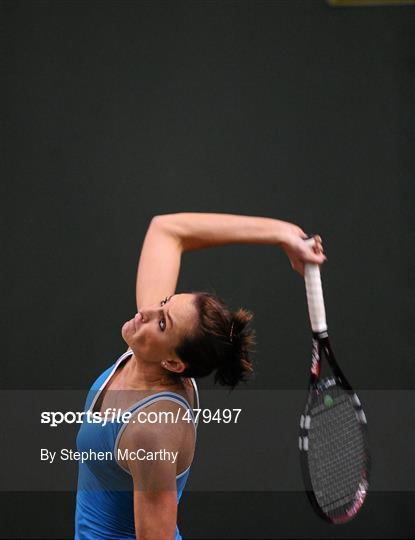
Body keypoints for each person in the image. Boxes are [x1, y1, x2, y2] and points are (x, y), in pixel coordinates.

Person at [75, 213, 325, 540]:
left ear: (175, 364)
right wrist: (284, 234)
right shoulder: (150, 348)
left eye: (163, 321)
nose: (146, 312)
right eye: (164, 303)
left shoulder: (152, 431)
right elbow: (167, 231)